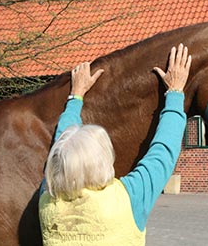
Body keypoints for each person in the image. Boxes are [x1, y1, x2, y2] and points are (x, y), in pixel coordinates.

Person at [39, 44, 192, 246]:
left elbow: (62, 144)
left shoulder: (47, 201)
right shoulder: (127, 199)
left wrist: (75, 96)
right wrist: (175, 92)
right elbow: (162, 152)